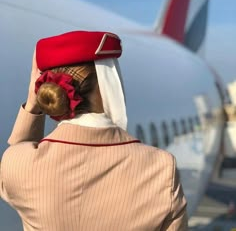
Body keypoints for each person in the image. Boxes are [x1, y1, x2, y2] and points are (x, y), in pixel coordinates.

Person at [0, 30, 188, 230]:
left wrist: (32, 105)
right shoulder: (162, 168)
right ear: (106, 86)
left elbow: (16, 155)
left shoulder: (17, 165)